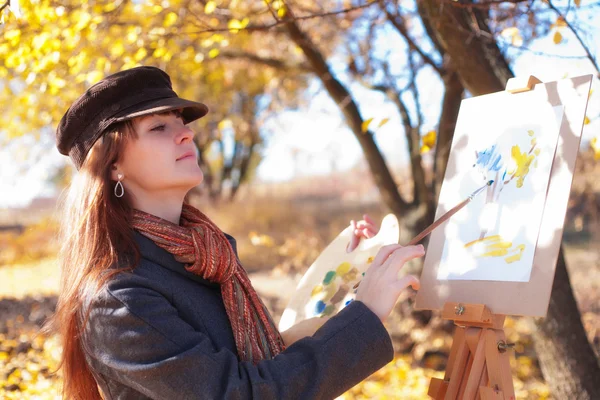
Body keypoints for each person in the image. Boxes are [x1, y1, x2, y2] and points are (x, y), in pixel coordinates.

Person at [41, 66, 423, 400]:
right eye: (159, 127)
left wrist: (345, 273)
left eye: (182, 123)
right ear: (112, 166)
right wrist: (366, 312)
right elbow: (245, 392)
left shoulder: (209, 258)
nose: (186, 135)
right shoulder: (120, 298)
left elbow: (272, 356)